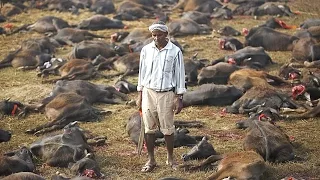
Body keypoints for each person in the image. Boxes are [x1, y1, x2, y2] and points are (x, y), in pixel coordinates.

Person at [136, 21, 186, 173]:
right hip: (149, 92)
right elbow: (142, 73)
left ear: (166, 35)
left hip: (166, 93)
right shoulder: (146, 50)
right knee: (149, 128)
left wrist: (179, 97)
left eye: (159, 35)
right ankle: (151, 159)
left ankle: (170, 158)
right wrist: (139, 94)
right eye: (153, 35)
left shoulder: (175, 51)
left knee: (168, 128)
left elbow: (179, 75)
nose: (156, 38)